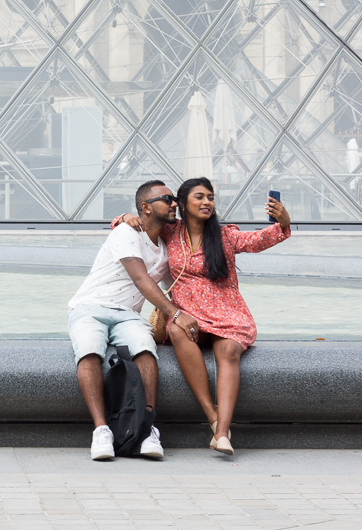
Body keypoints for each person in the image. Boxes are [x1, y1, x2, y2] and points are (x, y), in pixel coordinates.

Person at [123, 177, 292, 456]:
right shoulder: (170, 231)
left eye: (210, 198)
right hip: (189, 315)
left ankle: (222, 433)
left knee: (229, 352)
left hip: (227, 314)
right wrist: (127, 217)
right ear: (183, 203)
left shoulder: (225, 235)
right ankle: (212, 416)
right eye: (199, 197)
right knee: (177, 329)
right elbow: (132, 227)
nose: (206, 202)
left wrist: (283, 223)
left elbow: (259, 239)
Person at [70, 181, 181, 461]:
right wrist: (176, 314)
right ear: (145, 207)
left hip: (128, 315)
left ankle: (146, 428)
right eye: (167, 199)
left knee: (145, 348)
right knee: (89, 349)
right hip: (91, 306)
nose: (174, 203)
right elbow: (142, 279)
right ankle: (101, 430)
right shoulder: (126, 231)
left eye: (175, 199)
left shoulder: (166, 249)